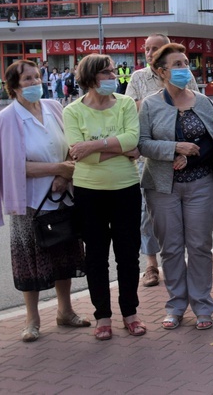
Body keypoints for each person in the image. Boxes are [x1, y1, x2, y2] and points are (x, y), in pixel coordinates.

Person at [0, 60, 89, 343]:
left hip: (61, 197)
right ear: (13, 87)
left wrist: (66, 168)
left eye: (36, 77)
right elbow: (13, 165)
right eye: (27, 80)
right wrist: (57, 169)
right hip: (30, 202)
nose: (34, 83)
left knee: (64, 255)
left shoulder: (54, 107)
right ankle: (32, 321)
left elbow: (72, 145)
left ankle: (65, 312)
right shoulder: (8, 117)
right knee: (30, 261)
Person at [138, 43, 213, 331]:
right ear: (161, 71)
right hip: (162, 187)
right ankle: (176, 305)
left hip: (200, 183)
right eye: (176, 64)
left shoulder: (202, 101)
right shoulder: (151, 104)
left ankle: (203, 305)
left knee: (200, 246)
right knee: (171, 248)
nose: (184, 69)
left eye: (186, 63)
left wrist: (192, 156)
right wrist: (173, 148)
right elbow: (141, 144)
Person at [63, 54, 143, 341]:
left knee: (128, 255)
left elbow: (133, 140)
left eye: (114, 72)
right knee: (96, 256)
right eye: (107, 73)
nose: (113, 77)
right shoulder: (72, 111)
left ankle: (130, 313)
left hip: (126, 190)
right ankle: (103, 316)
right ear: (90, 77)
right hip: (89, 192)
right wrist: (118, 148)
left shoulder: (124, 104)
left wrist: (94, 147)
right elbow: (76, 152)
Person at [126, 33, 198, 288]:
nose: (149, 52)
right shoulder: (138, 78)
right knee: (148, 214)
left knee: (183, 214)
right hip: (151, 157)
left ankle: (181, 262)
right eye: (146, 48)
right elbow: (134, 111)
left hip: (185, 155)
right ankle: (151, 265)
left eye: (155, 48)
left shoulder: (183, 73)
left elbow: (195, 109)